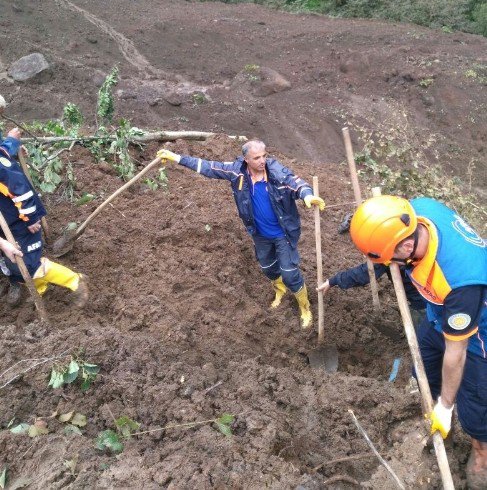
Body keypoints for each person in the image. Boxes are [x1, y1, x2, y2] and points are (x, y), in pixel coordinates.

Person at [345, 194, 487, 488]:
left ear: (407, 246)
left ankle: (481, 453)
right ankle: (425, 409)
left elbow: (456, 352)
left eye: (391, 258)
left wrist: (447, 408)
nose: (390, 264)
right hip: (438, 310)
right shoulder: (417, 210)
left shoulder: (462, 281)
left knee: (474, 404)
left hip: (477, 333)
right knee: (423, 363)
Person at [157, 139, 325, 328]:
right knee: (268, 268)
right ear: (246, 159)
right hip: (259, 233)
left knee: (289, 274)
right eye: (256, 158)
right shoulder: (238, 172)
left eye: (264, 156)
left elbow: (296, 183)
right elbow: (209, 167)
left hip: (282, 234)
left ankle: (305, 307)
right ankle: (280, 291)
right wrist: (176, 158)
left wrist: (307, 195)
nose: (262, 161)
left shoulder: (277, 174)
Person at [0, 128, 88, 307]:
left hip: (21, 221)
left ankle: (75, 281)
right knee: (14, 264)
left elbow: (21, 190)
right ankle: (41, 288)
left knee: (28, 263)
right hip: (5, 224)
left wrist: (30, 218)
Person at [318, 261, 427, 330]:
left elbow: (365, 272)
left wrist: (335, 280)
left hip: (425, 301)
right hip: (424, 297)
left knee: (425, 330)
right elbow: (367, 271)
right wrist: (334, 280)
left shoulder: (392, 252)